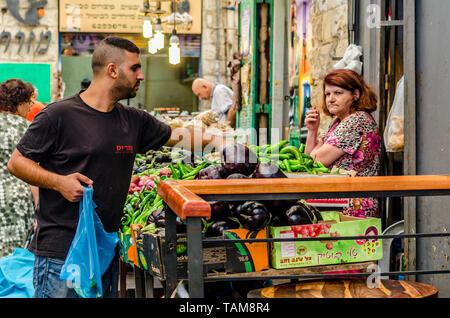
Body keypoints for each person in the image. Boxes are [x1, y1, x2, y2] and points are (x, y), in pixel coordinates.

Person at [7, 36, 226, 298]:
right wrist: (59, 182)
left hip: (105, 253)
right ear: (112, 70)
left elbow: (179, 135)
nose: (141, 75)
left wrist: (223, 143)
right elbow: (17, 162)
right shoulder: (58, 115)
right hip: (60, 255)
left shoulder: (133, 121)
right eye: (135, 67)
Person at [304, 69, 381, 218]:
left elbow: (314, 161)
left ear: (355, 95)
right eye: (328, 94)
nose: (331, 99)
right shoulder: (338, 122)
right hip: (338, 203)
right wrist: (312, 130)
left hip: (352, 208)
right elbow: (308, 160)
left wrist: (313, 153)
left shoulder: (357, 121)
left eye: (338, 93)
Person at [0, 79, 37, 258]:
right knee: (12, 261)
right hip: (18, 204)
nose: (30, 107)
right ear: (20, 103)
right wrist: (41, 212)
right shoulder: (29, 129)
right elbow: (35, 172)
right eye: (29, 103)